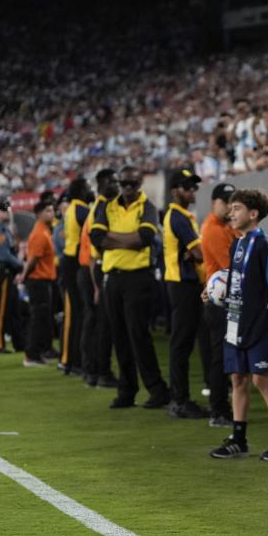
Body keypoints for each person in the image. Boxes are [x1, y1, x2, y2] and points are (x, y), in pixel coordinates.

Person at [209, 189, 268, 461]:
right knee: (237, 379)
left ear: (253, 213)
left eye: (236, 208)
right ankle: (239, 439)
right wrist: (214, 291)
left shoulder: (263, 245)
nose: (230, 213)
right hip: (236, 322)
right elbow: (236, 280)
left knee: (261, 379)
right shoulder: (237, 243)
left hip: (260, 323)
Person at [89, 165, 171, 410]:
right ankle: (127, 390)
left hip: (138, 278)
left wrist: (112, 239)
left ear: (140, 184)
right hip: (113, 278)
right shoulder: (107, 205)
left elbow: (144, 238)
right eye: (124, 183)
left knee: (138, 335)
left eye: (132, 184)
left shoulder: (148, 207)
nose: (127, 188)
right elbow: (96, 237)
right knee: (119, 336)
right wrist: (129, 240)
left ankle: (157, 389)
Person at [163, 168, 210, 419]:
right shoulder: (178, 217)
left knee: (184, 341)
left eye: (193, 187)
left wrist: (192, 253)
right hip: (182, 284)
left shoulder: (182, 216)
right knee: (181, 342)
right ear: (174, 191)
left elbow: (195, 252)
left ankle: (180, 398)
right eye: (187, 187)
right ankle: (179, 400)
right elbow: (200, 252)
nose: (192, 191)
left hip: (185, 282)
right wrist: (194, 252)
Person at [200, 182, 241, 427]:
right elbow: (232, 265)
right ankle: (218, 410)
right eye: (226, 201)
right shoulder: (214, 229)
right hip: (219, 301)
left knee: (224, 355)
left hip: (226, 299)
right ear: (215, 202)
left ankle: (223, 407)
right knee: (219, 356)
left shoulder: (226, 227)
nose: (229, 206)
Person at [78, 170, 120, 389]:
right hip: (94, 270)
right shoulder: (101, 208)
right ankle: (100, 371)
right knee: (101, 324)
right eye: (113, 181)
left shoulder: (98, 208)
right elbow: (95, 252)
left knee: (94, 323)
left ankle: (92, 370)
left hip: (90, 270)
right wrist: (96, 286)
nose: (117, 184)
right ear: (103, 184)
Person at [58, 177, 93, 375]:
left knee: (76, 313)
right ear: (80, 191)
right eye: (87, 187)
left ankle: (72, 360)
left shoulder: (72, 209)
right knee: (75, 314)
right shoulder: (82, 211)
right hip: (74, 262)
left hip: (70, 260)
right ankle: (69, 360)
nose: (90, 190)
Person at [21, 199, 57, 367]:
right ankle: (31, 355)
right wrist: (24, 276)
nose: (52, 213)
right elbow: (33, 259)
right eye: (48, 210)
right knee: (37, 318)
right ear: (39, 214)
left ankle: (41, 350)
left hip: (43, 279)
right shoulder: (39, 233)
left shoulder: (44, 231)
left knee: (42, 318)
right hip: (38, 280)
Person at [0, 200, 24, 354]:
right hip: (2, 273)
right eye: (3, 211)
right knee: (0, 310)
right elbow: (4, 256)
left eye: (8, 210)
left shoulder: (6, 231)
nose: (7, 213)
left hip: (9, 273)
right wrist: (21, 264)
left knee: (14, 310)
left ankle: (19, 343)